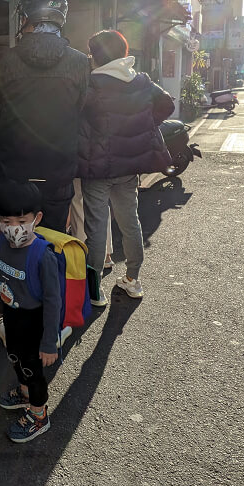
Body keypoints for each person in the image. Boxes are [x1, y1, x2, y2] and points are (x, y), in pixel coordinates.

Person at [78, 30, 175, 302]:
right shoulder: (140, 81)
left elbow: (75, 116)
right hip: (129, 167)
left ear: (96, 56)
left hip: (97, 168)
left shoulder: (91, 83)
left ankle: (94, 289)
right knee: (130, 221)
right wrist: (141, 124)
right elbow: (166, 105)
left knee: (96, 228)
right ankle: (133, 279)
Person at [0, 0, 89, 231]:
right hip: (59, 168)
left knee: (15, 236)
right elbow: (81, 108)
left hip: (14, 167)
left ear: (26, 17)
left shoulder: (3, 61)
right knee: (53, 239)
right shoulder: (80, 62)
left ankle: (13, 271)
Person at [0, 180, 62, 443]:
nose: (13, 228)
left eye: (21, 221)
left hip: (35, 323)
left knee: (33, 370)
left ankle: (39, 415)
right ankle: (25, 393)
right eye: (6, 221)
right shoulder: (3, 246)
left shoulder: (43, 256)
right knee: (15, 359)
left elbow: (54, 302)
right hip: (13, 319)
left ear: (36, 218)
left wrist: (50, 342)